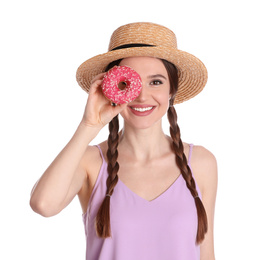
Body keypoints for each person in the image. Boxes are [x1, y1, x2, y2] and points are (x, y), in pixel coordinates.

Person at [30, 22, 217, 260]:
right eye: (129, 83)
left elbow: (207, 253)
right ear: (112, 89)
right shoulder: (90, 162)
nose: (141, 95)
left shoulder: (201, 162)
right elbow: (43, 204)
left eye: (156, 82)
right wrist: (89, 125)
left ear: (172, 90)